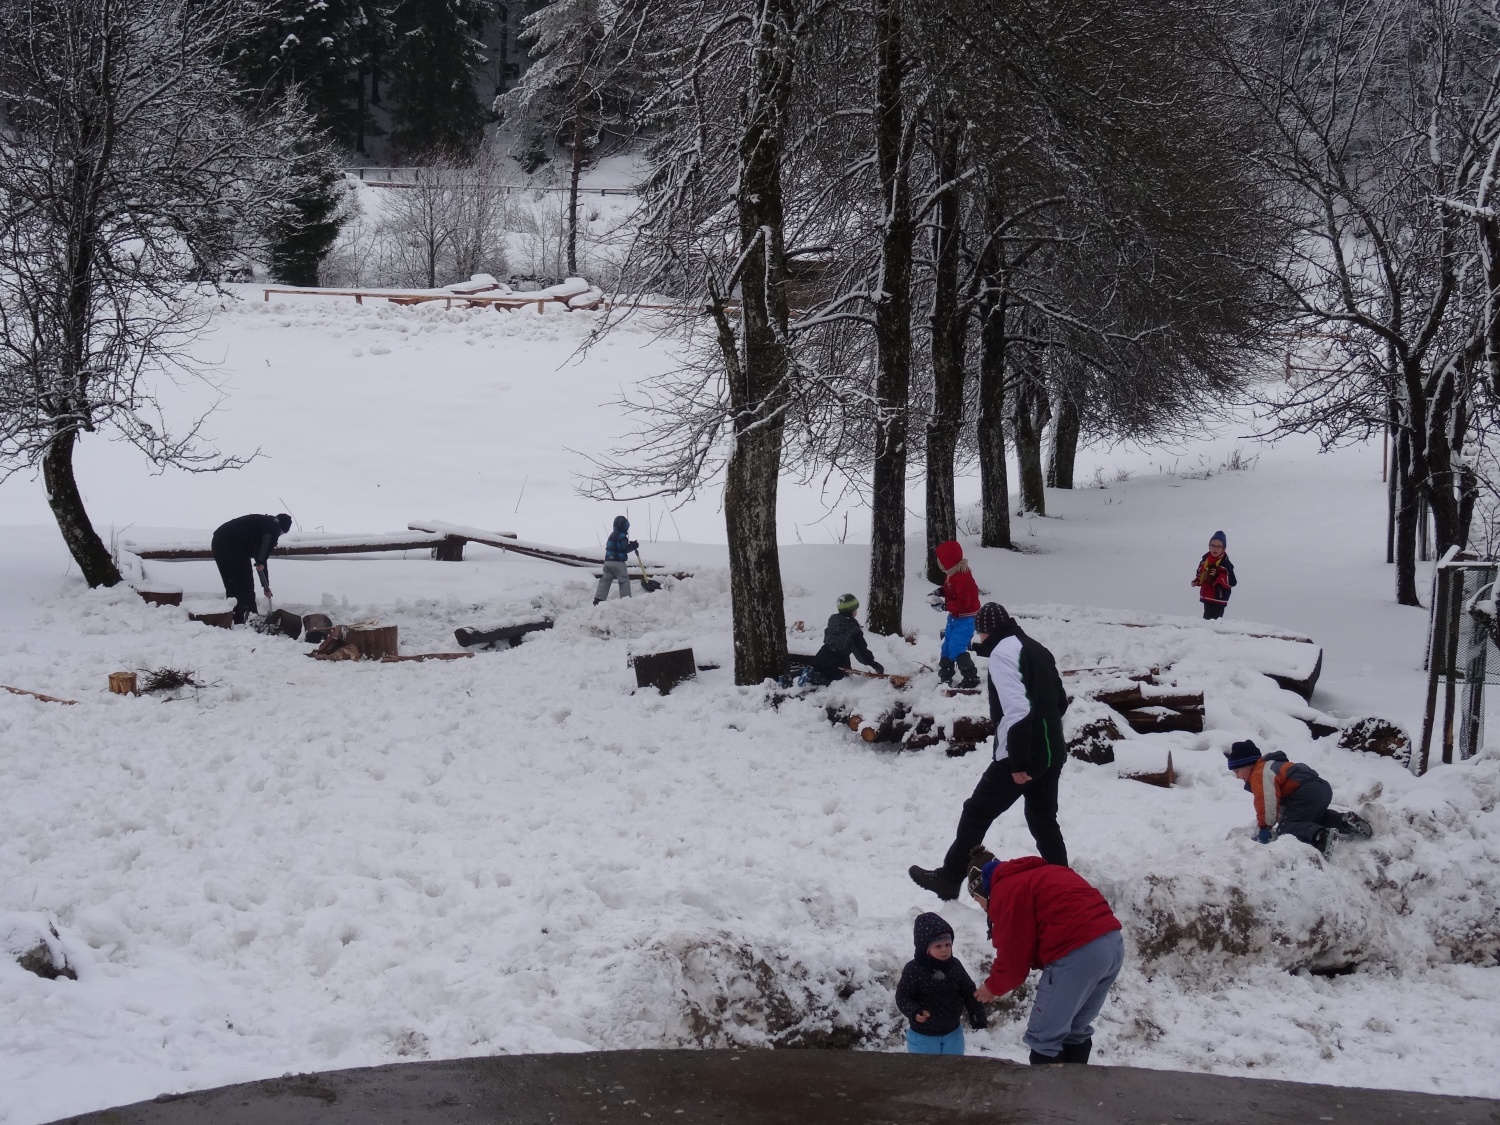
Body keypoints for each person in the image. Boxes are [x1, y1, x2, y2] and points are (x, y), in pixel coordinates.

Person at [910, 603, 1069, 900]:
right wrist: (1046, 738)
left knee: (976, 812)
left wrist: (1020, 760)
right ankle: (1065, 883)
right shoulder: (1036, 648)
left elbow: (1018, 710)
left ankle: (949, 877)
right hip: (1052, 749)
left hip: (1023, 754)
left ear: (985, 631)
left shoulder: (1003, 655)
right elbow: (1060, 701)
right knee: (1042, 818)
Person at [968, 850, 1124, 1066]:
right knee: (1075, 1029)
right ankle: (1075, 1091)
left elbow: (1014, 955)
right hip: (1113, 944)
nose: (982, 908)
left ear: (982, 892)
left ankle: (1048, 1097)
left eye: (978, 901)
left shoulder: (1006, 891)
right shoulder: (1042, 872)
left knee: (1044, 1038)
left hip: (1079, 953)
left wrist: (992, 987)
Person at [1225, 740, 1373, 856]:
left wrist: (1265, 827)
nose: (1237, 776)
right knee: (1311, 819)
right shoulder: (1272, 766)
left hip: (1305, 791)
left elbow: (1266, 801)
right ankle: (1345, 821)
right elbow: (1283, 804)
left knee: (1287, 828)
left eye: (1237, 771)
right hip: (1321, 788)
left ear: (1249, 764)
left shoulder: (1260, 773)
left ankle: (1321, 836)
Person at [895, 912, 988, 1055]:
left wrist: (977, 1014)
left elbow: (968, 990)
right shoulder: (913, 969)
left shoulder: (954, 966)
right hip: (923, 1035)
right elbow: (903, 996)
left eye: (948, 945)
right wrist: (914, 1011)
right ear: (924, 948)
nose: (944, 950)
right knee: (927, 1072)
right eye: (938, 946)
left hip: (953, 1033)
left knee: (953, 1069)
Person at [211, 513, 292, 624]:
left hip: (218, 541)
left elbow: (261, 555)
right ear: (282, 528)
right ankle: (250, 618)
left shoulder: (263, 525)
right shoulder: (273, 527)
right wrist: (261, 562)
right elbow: (265, 549)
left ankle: (235, 616)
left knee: (231, 582)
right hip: (233, 544)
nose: (279, 535)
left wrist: (265, 585)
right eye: (282, 533)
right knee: (245, 582)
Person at [931, 540, 981, 689]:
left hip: (966, 618)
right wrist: (940, 592)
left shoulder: (963, 578)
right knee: (946, 647)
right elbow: (951, 589)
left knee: (957, 647)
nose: (939, 564)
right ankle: (945, 674)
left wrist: (945, 606)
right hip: (955, 617)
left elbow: (963, 602)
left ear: (947, 562)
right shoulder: (952, 574)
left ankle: (971, 677)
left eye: (940, 561)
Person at [805, 594, 884, 684]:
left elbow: (827, 636)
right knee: (829, 681)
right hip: (837, 664)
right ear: (851, 611)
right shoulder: (854, 630)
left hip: (821, 655)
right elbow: (861, 653)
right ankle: (814, 678)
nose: (856, 611)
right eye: (855, 609)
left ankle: (796, 676)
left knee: (815, 670)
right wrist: (873, 663)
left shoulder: (833, 620)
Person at [1192, 531, 1237, 620]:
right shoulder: (1205, 560)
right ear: (1209, 546)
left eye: (1218, 546)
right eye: (1213, 545)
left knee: (1213, 622)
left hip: (1219, 599)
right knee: (1207, 620)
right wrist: (1196, 581)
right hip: (1207, 596)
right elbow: (1200, 573)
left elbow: (1232, 582)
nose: (1215, 549)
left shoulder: (1225, 564)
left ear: (1223, 549)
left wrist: (1218, 576)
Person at [595, 516, 638, 604]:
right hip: (618, 563)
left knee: (605, 580)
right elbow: (624, 549)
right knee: (624, 580)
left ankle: (598, 599)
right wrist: (634, 546)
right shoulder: (622, 537)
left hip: (608, 563)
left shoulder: (611, 536)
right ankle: (626, 600)